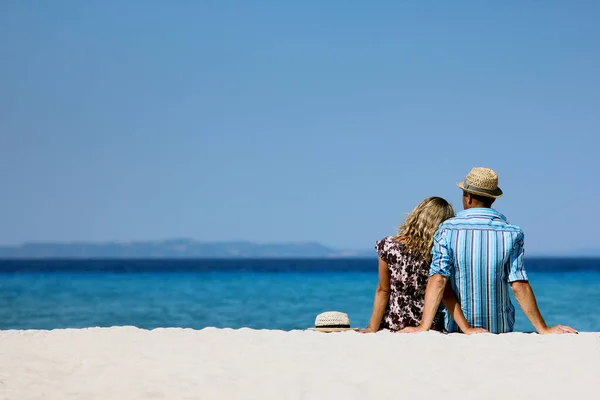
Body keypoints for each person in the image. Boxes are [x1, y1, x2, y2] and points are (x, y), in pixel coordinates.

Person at [401, 167, 577, 334]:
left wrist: (423, 326)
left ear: (468, 197)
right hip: (499, 328)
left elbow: (438, 279)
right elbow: (518, 285)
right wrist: (543, 329)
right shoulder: (512, 233)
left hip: (457, 328)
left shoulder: (447, 230)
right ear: (493, 199)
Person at [360, 196, 487, 334]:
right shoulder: (437, 253)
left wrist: (372, 328)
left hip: (393, 323)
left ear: (417, 214)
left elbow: (383, 291)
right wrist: (467, 328)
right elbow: (446, 294)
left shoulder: (388, 246)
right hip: (429, 326)